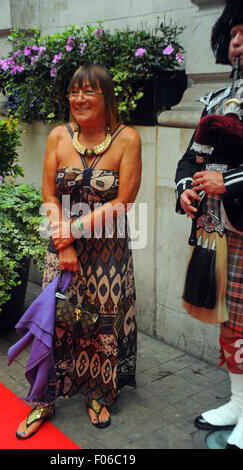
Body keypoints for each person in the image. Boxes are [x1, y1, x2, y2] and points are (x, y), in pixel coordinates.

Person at [16, 64, 142, 439]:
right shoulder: (58, 136)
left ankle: (98, 391)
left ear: (106, 97)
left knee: (102, 323)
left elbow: (124, 200)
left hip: (109, 254)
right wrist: (65, 240)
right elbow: (48, 194)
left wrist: (71, 231)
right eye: (74, 91)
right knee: (55, 321)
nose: (79, 99)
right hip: (60, 247)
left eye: (89, 91)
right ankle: (42, 397)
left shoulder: (127, 138)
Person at [175, 0, 243, 450]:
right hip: (215, 228)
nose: (238, 43)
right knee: (229, 323)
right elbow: (191, 158)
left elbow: (225, 171)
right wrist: (186, 186)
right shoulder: (218, 99)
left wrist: (229, 181)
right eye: (234, 34)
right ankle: (238, 401)